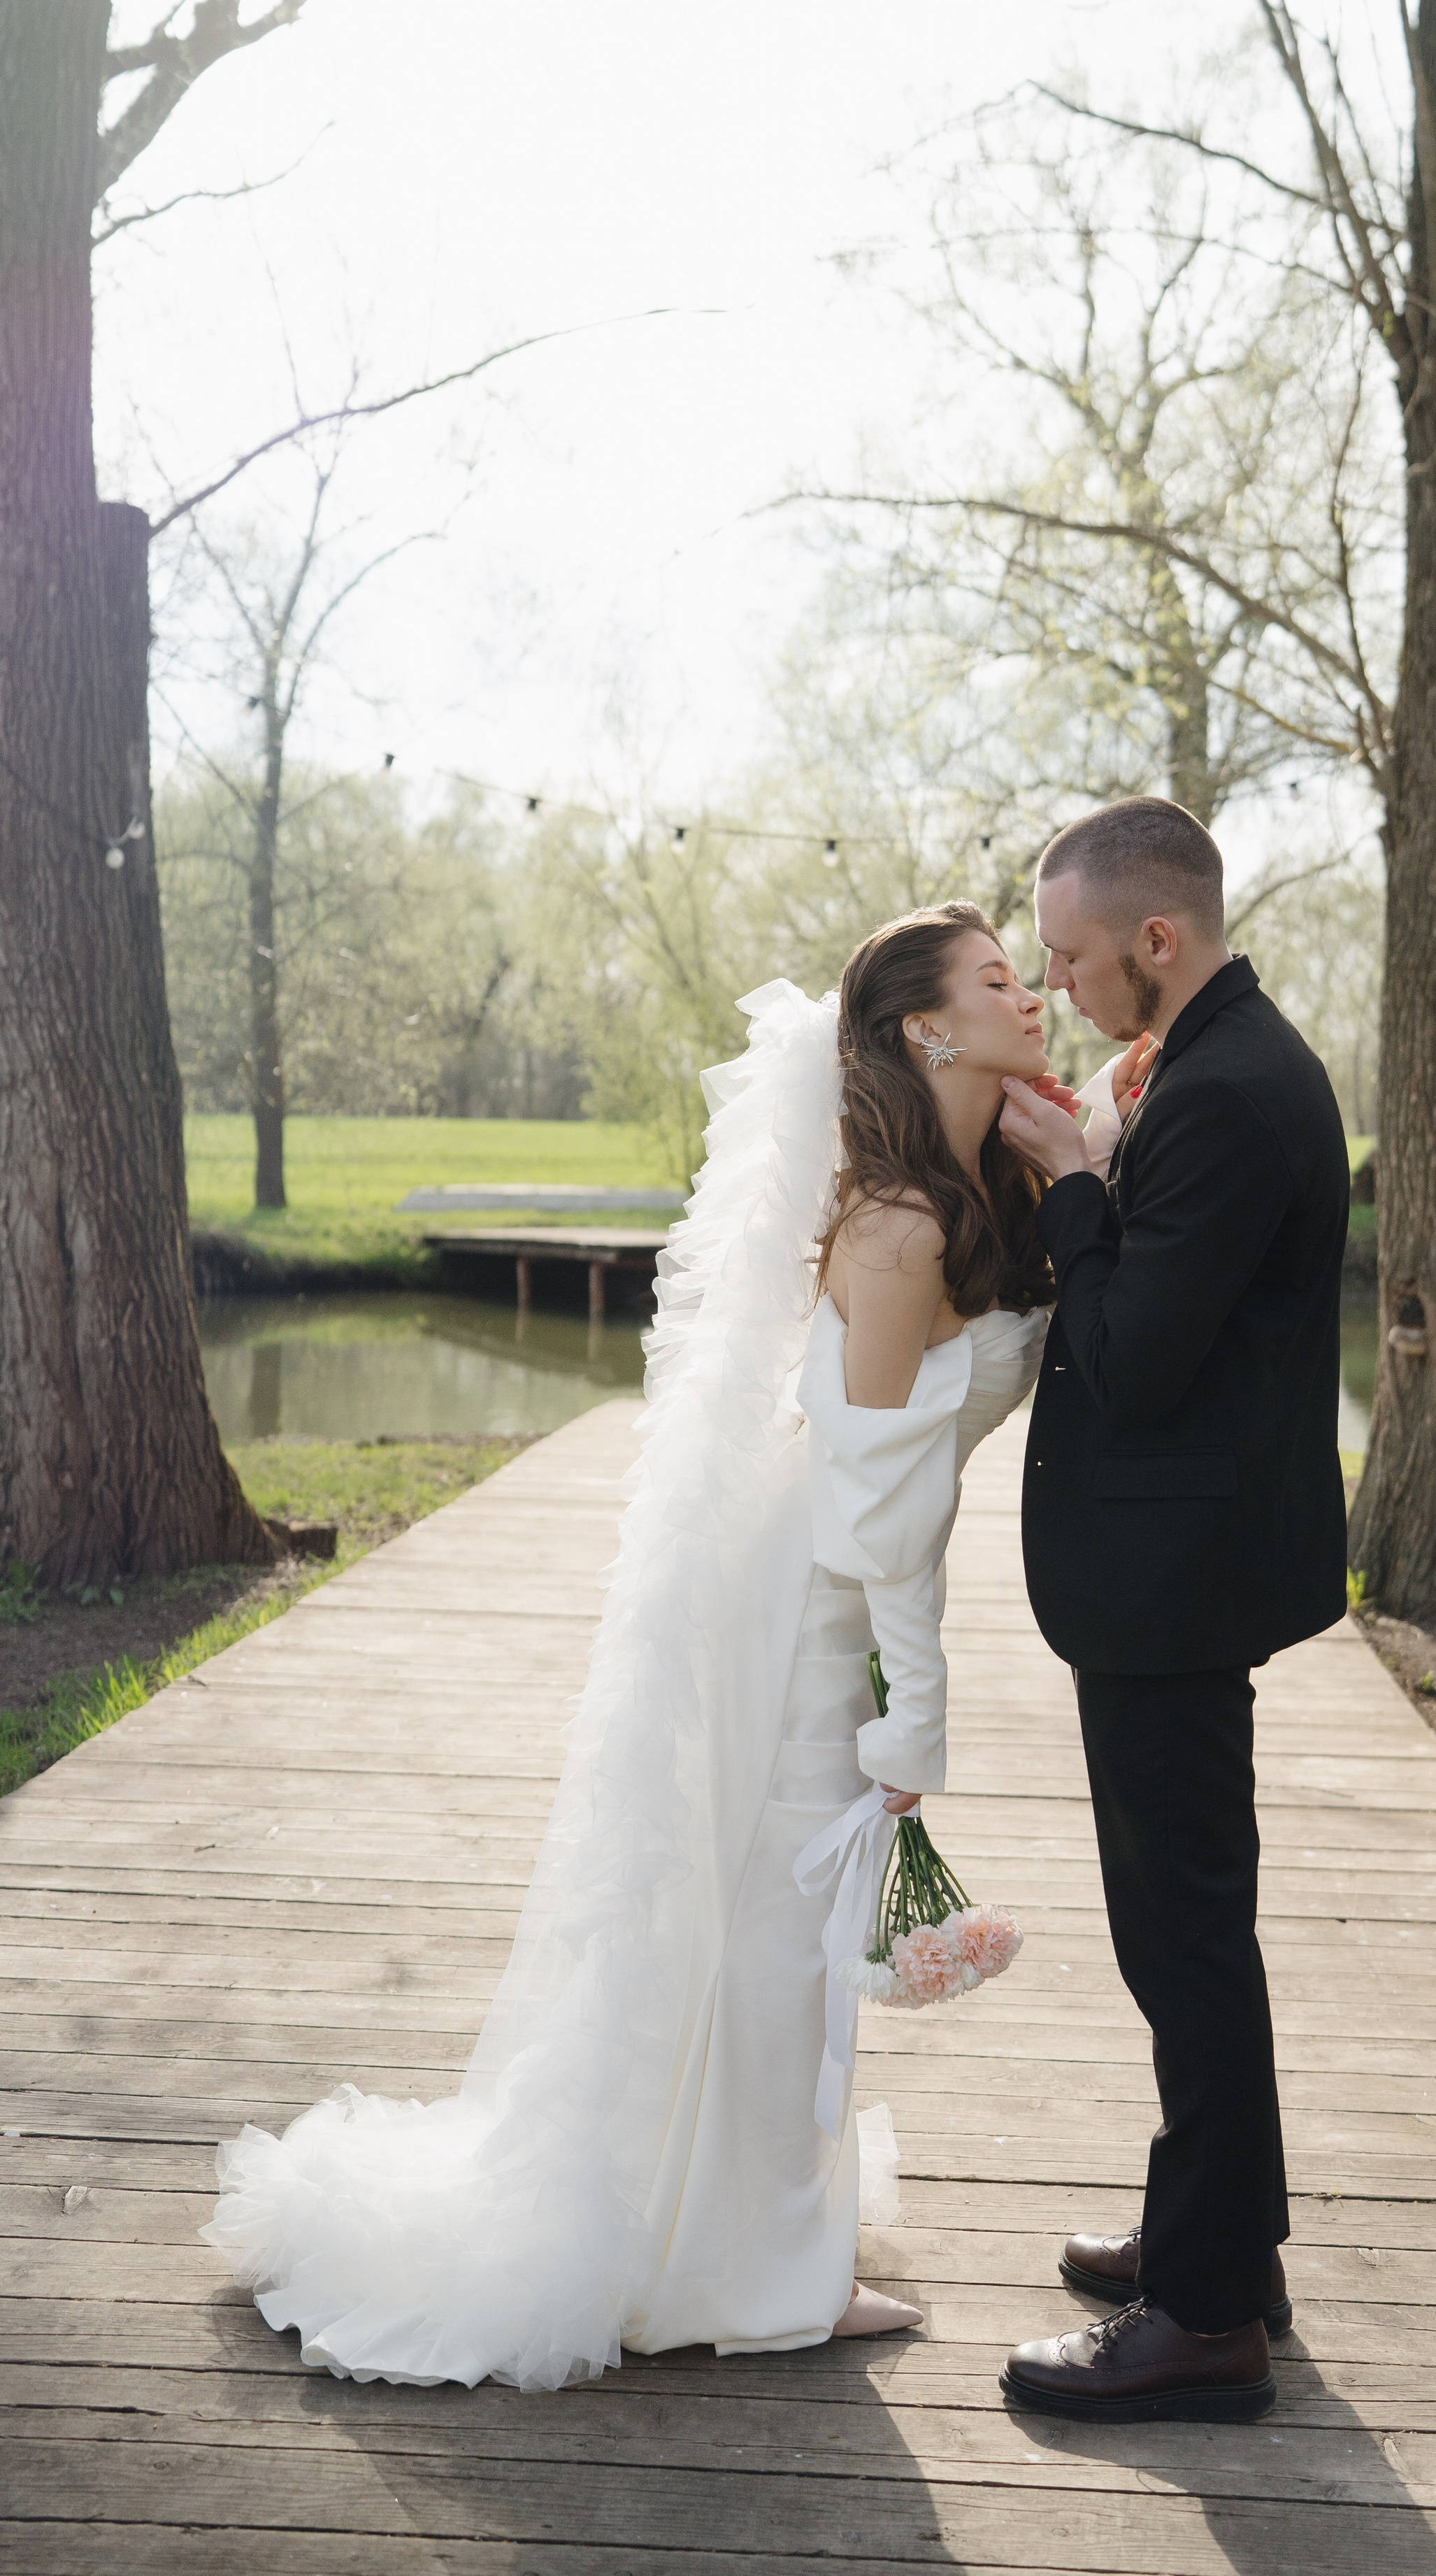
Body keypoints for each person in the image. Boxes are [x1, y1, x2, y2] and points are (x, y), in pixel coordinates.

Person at [201, 903, 1057, 2389]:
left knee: (776, 1933)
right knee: (777, 1941)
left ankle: (759, 2242)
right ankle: (754, 2271)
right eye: (997, 980)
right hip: (809, 1607)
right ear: (923, 1028)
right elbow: (871, 1505)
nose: (1031, 993)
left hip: (830, 1584)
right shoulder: (902, 1227)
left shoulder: (962, 1193)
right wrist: (908, 1715)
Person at [994, 797, 1349, 2427]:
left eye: (1069, 957)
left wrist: (1073, 1177)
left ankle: (1204, 2319)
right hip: (1175, 1567)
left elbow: (1134, 1356)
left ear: (1157, 939)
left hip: (1173, 1578)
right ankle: (1225, 2244)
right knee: (1182, 1929)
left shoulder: (1226, 1092)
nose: (1058, 987)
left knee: (1184, 1935)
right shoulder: (1206, 1066)